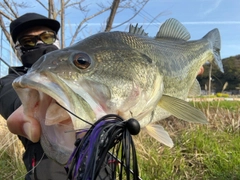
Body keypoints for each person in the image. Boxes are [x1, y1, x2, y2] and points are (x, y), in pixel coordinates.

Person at [0, 13, 68, 180]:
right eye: (28, 41)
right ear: (18, 49)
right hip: (47, 163)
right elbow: (17, 103)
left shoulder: (76, 68)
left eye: (47, 37)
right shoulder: (10, 81)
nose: (39, 43)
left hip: (97, 154)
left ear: (56, 41)